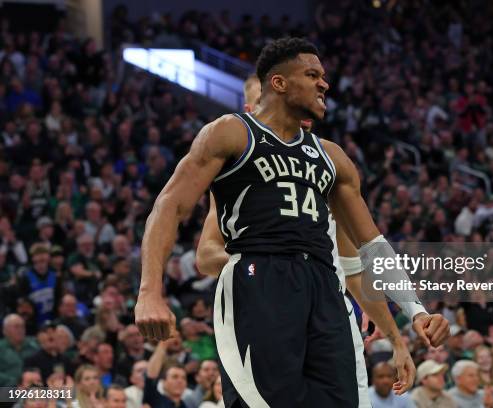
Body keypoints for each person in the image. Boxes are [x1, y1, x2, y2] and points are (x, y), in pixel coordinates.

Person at [136, 37, 448, 407]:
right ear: (279, 83)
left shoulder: (331, 156)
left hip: (323, 286)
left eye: (324, 76)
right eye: (312, 74)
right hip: (258, 276)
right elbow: (169, 206)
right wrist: (149, 292)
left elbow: (372, 245)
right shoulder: (232, 132)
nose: (324, 84)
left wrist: (417, 311)